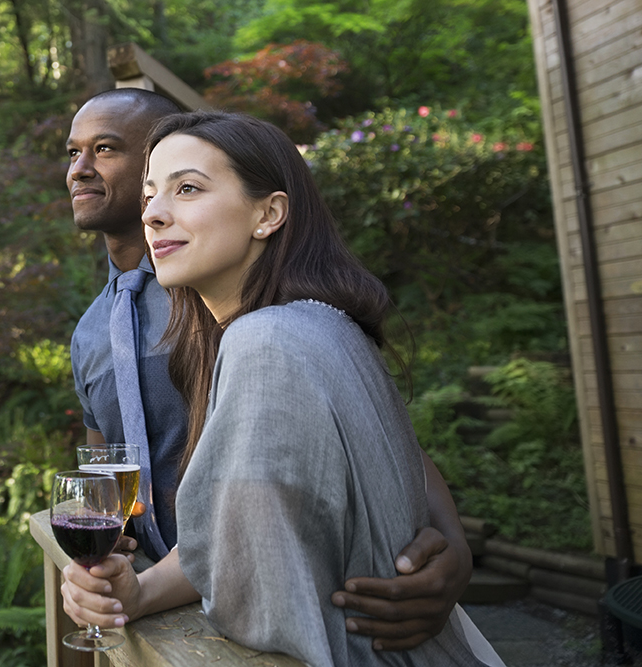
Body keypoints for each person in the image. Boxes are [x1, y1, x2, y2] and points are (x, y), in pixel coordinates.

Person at [61, 110, 506, 666]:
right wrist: (140, 591)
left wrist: (453, 545)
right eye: (152, 194)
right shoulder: (310, 324)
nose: (153, 214)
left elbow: (263, 597)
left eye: (188, 189)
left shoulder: (266, 340)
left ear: (268, 212)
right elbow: (234, 531)